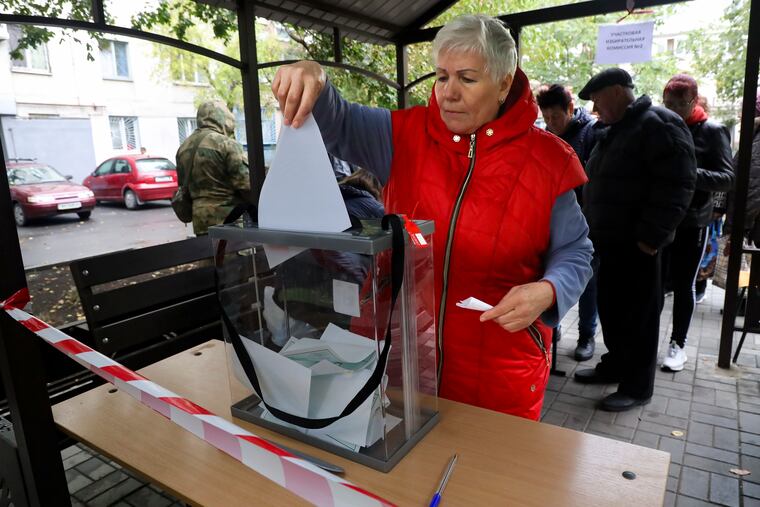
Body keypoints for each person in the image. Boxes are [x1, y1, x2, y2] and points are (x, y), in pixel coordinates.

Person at [271, 14, 593, 420]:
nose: (448, 93)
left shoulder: (548, 160)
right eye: (441, 77)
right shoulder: (402, 134)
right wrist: (312, 75)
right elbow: (337, 117)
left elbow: (576, 251)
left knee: (488, 479)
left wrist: (549, 289)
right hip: (398, 357)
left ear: (504, 83)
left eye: (467, 78)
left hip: (499, 373)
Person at [574, 68, 697, 411]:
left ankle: (638, 386)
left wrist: (651, 237)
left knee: (639, 317)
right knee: (613, 310)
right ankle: (615, 366)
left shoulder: (660, 123)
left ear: (615, 92)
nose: (595, 109)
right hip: (611, 243)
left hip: (638, 246)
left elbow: (679, 183)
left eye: (597, 99)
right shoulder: (618, 129)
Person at [659, 74, 734, 372]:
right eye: (668, 104)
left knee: (684, 284)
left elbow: (727, 178)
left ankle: (678, 343)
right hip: (661, 220)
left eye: (680, 104)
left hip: (693, 221)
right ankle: (647, 341)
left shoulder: (712, 131)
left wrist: (689, 173)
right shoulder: (661, 126)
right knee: (655, 285)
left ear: (694, 101)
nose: (673, 110)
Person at [537, 83, 606, 361]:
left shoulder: (591, 134)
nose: (552, 123)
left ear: (570, 109)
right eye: (547, 117)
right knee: (550, 279)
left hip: (587, 225)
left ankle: (586, 335)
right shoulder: (543, 138)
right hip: (552, 223)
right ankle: (551, 330)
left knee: (587, 283)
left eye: (556, 116)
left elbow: (595, 181)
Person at [175, 101, 252, 235]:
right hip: (230, 221)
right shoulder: (226, 144)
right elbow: (246, 184)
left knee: (208, 254)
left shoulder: (183, 148)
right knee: (231, 255)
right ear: (222, 118)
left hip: (200, 223)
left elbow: (183, 186)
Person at [726, 93, 760, 248]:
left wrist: (738, 230)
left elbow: (753, 187)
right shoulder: (753, 137)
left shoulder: (756, 141)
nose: (740, 114)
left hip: (751, 227)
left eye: (744, 109)